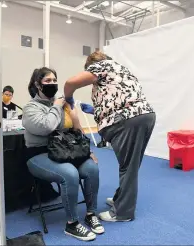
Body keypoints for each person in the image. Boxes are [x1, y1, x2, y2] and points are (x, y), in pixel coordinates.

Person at [64, 51, 156, 222]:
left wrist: (68, 97)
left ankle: (123, 213)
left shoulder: (101, 66)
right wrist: (94, 110)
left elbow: (71, 82)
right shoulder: (121, 70)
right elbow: (118, 98)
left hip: (128, 121)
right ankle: (120, 200)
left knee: (128, 167)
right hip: (144, 116)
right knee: (130, 165)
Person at [23, 67, 104, 241]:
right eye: (47, 81)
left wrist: (87, 151)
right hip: (39, 156)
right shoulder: (31, 108)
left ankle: (91, 213)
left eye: (54, 80)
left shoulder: (63, 103)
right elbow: (47, 126)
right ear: (38, 85)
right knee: (69, 173)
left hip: (65, 151)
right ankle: (72, 224)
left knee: (91, 168)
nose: (52, 84)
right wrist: (56, 107)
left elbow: (75, 130)